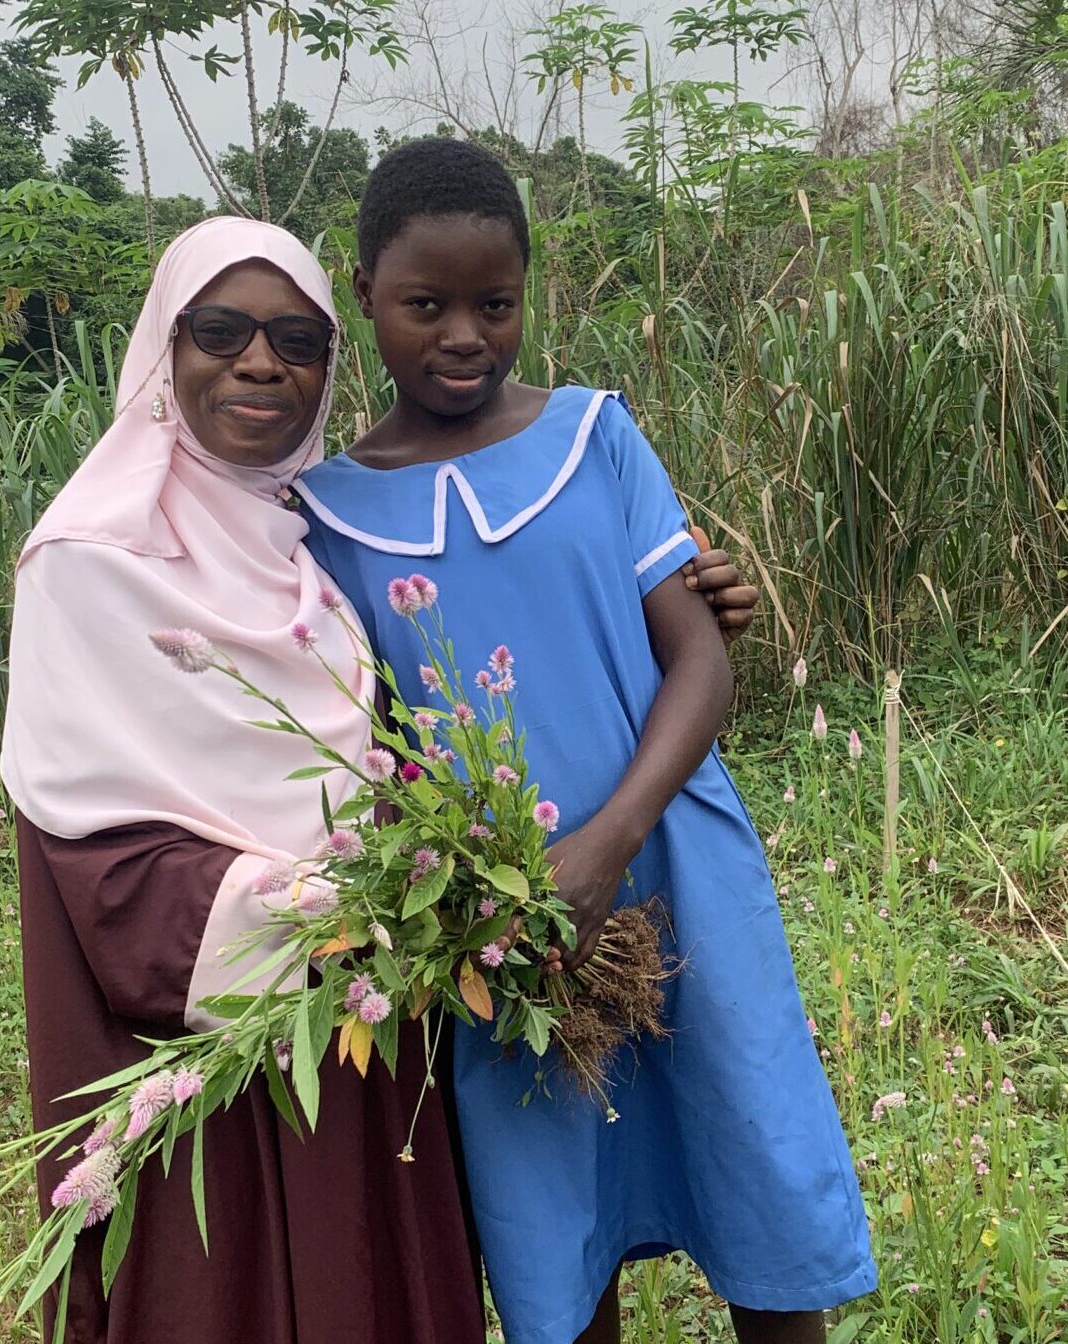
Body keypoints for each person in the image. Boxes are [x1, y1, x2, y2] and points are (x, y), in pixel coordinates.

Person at [0, 216, 764, 1344]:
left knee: (368, 1261)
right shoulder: (89, 562)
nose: (261, 363)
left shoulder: (304, 538)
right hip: (202, 1038)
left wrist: (689, 605)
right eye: (222, 331)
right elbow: (94, 855)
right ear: (165, 346)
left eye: (297, 341)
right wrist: (351, 911)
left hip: (367, 1017)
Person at [295, 140, 876, 1344]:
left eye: (496, 304)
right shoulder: (328, 516)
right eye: (425, 305)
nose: (465, 336)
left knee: (751, 1153)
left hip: (671, 861)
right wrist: (476, 893)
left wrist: (611, 839)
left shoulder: (595, 436)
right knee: (557, 1216)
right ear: (364, 297)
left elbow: (700, 659)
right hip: (500, 921)